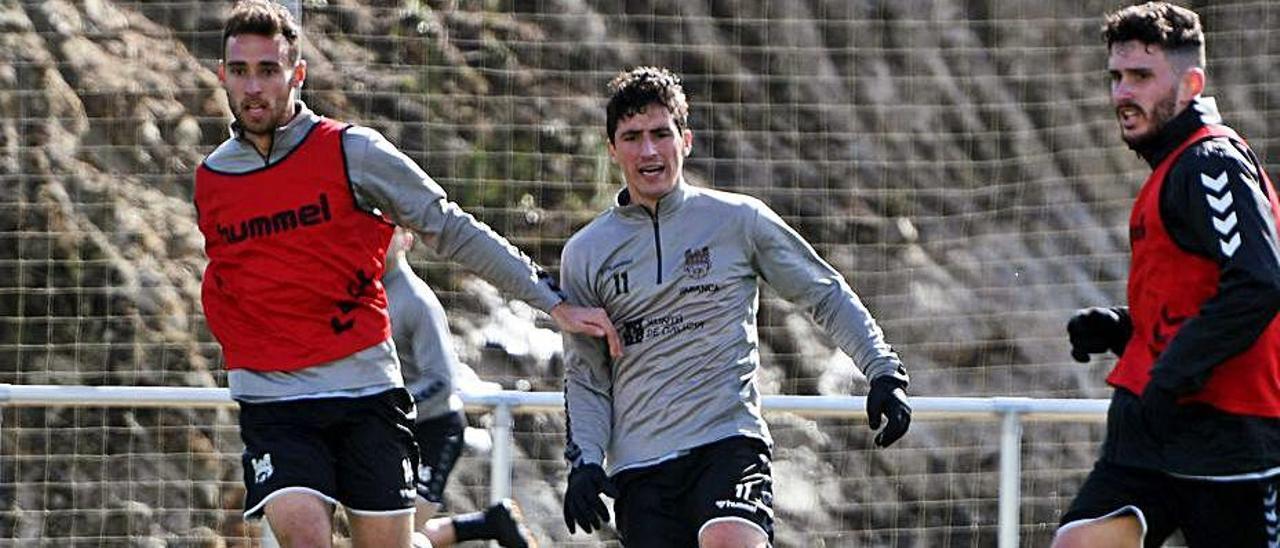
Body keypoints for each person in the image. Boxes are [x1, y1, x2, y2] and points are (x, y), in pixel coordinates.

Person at [195, 2, 620, 547]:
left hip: (365, 393)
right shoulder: (213, 178)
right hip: (275, 404)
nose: (253, 87)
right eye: (239, 70)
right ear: (222, 75)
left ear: (297, 74)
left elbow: (450, 226)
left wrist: (550, 300)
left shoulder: (352, 151)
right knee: (303, 536)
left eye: (268, 70)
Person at [557, 66, 913, 548]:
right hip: (640, 466)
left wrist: (882, 370)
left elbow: (822, 291)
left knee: (730, 539)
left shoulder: (738, 221)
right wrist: (584, 461)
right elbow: (586, 374)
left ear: (686, 141)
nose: (648, 151)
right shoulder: (586, 253)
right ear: (612, 149)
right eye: (633, 137)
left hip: (728, 442)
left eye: (661, 134)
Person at [1054, 3, 1280, 547]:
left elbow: (1258, 283)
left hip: (1228, 435)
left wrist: (1171, 375)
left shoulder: (1211, 163)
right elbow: (1197, 297)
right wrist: (1124, 328)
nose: (1122, 94)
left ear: (1191, 82)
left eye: (1141, 77)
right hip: (1155, 430)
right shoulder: (1174, 166)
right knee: (1080, 543)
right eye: (1116, 77)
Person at [383, 227, 537, 548]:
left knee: (398, 532)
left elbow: (442, 380)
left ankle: (486, 524)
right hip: (391, 434)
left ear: (407, 239)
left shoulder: (417, 300)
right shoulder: (363, 296)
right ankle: (489, 523)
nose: (378, 238)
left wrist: (391, 406)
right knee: (386, 529)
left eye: (389, 230)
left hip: (434, 430)